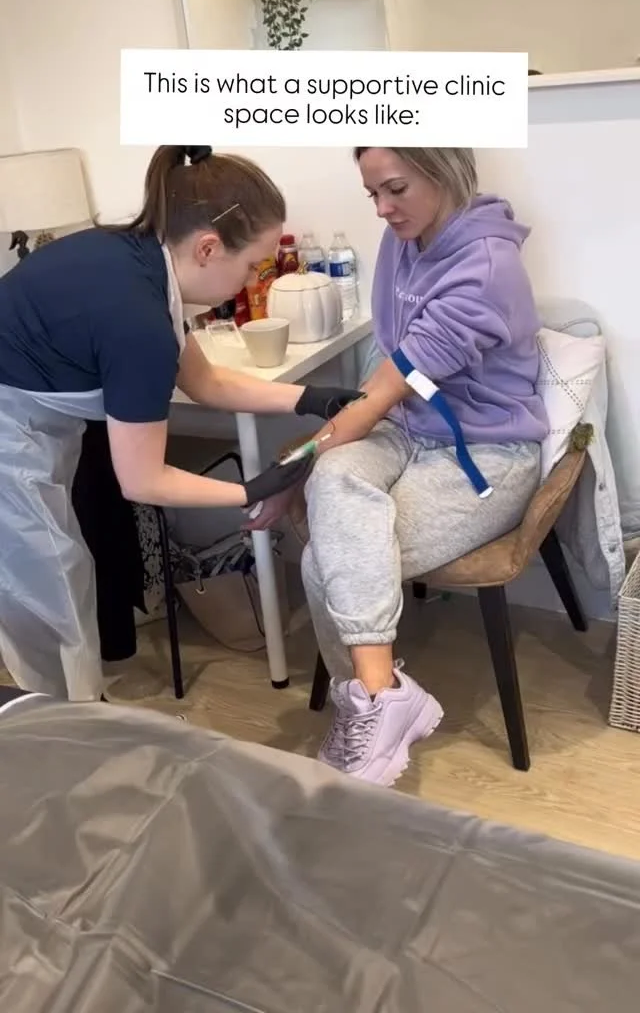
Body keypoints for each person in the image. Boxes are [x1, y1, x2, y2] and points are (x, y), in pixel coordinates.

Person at [0, 144, 361, 702]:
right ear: (208, 247)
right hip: (11, 432)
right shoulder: (136, 316)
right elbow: (142, 480)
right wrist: (248, 491)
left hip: (32, 424)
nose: (254, 280)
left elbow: (206, 383)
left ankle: (73, 711)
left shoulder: (138, 259)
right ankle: (66, 730)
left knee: (59, 577)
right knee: (50, 592)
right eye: (253, 266)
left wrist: (313, 398)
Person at [249, 146, 549, 787]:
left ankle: (368, 706)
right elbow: (383, 379)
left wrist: (287, 474)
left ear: (443, 170)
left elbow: (381, 392)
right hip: (403, 430)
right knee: (335, 484)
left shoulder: (486, 267)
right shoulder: (402, 239)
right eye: (373, 194)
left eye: (396, 189)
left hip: (485, 450)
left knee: (327, 559)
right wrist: (302, 472)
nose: (383, 209)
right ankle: (382, 700)